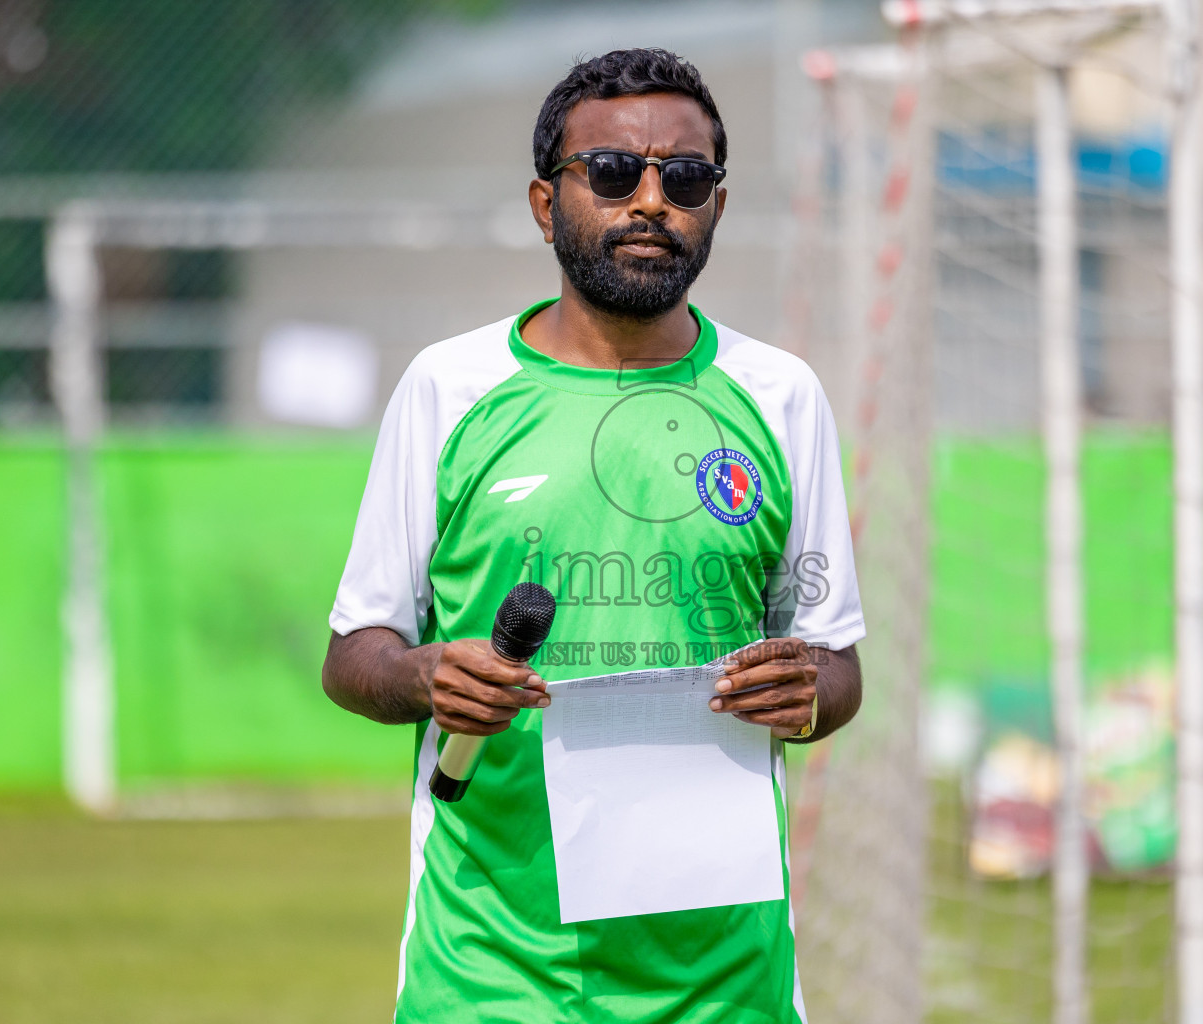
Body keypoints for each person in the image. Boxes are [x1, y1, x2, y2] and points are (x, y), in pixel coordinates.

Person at [322, 48, 864, 1023]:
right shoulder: (451, 389)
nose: (652, 200)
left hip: (725, 981)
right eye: (614, 173)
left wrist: (805, 690)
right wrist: (424, 677)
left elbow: (836, 671)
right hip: (492, 970)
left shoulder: (782, 398)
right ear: (545, 202)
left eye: (685, 177)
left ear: (718, 205)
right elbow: (356, 652)